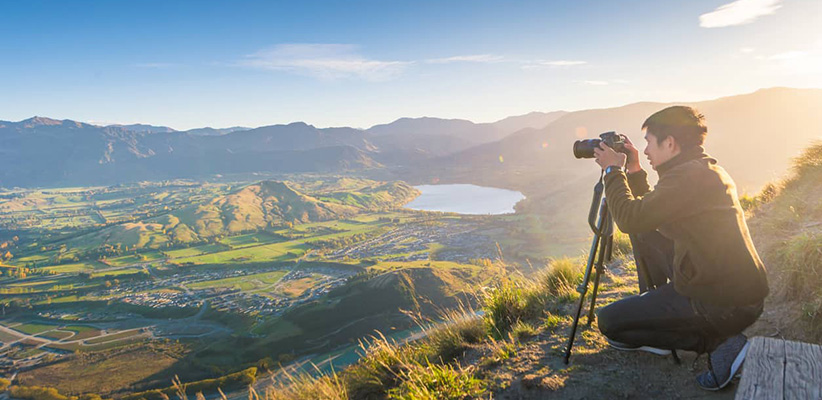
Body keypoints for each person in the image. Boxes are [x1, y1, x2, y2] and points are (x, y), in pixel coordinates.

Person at [591, 105, 769, 391]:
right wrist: (634, 167)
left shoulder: (687, 178)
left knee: (610, 322)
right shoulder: (700, 170)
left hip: (723, 303)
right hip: (734, 288)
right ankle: (664, 313)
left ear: (670, 142)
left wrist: (613, 169)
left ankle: (721, 343)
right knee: (645, 231)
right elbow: (647, 215)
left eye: (648, 142)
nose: (646, 150)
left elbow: (627, 218)